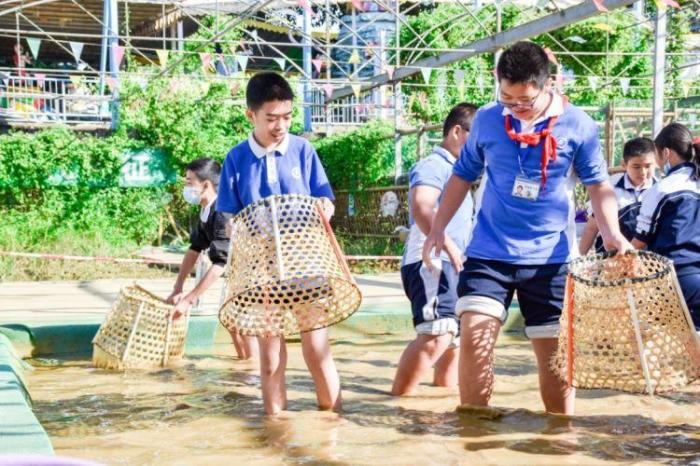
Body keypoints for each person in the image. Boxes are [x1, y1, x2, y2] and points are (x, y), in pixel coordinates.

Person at [422, 41, 632, 415]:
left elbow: (599, 187)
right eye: (507, 98)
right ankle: (474, 433)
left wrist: (612, 233)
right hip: (489, 252)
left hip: (550, 258)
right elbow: (460, 177)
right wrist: (437, 228)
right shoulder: (487, 120)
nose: (516, 107)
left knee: (553, 360)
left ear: (547, 84)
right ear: (497, 84)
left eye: (525, 100)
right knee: (474, 335)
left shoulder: (579, 125)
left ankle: (559, 437)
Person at [216, 72, 339, 415]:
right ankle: (276, 427)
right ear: (250, 115)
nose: (280, 125)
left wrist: (325, 208)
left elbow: (325, 198)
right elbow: (227, 214)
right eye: (271, 118)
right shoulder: (236, 159)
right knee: (270, 356)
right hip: (262, 270)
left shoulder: (303, 149)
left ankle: (333, 420)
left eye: (286, 117)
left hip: (306, 263)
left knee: (317, 348)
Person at [391, 103, 477, 396]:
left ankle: (440, 403)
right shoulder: (434, 165)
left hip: (452, 262)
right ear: (457, 132)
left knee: (453, 339)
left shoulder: (460, 172)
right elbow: (421, 207)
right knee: (436, 335)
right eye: (477, 139)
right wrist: (449, 247)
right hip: (431, 262)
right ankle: (397, 402)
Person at [166, 158, 259, 361]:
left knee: (242, 324)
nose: (186, 186)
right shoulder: (206, 211)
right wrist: (178, 287)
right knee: (232, 322)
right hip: (238, 276)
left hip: (252, 275)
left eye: (189, 182)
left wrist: (189, 300)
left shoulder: (222, 212)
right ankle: (245, 372)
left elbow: (220, 263)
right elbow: (194, 249)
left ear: (206, 184)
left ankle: (252, 375)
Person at [632, 123, 700, 330]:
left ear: (666, 152)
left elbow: (641, 239)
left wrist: (618, 256)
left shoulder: (662, 189)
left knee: (659, 344)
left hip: (675, 279)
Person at [579, 137, 657, 255]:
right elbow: (592, 228)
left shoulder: (660, 191)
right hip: (610, 258)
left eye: (648, 166)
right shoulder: (608, 189)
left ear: (655, 163)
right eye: (636, 166)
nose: (643, 172)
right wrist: (579, 259)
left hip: (648, 261)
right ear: (624, 164)